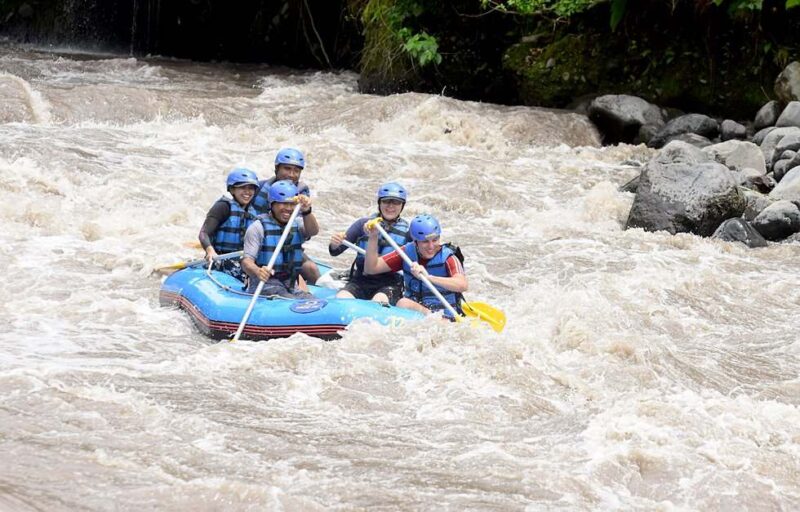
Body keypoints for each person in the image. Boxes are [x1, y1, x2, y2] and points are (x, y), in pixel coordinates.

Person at [364, 214, 467, 318]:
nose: (431, 246)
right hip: (414, 312)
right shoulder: (406, 253)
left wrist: (429, 278)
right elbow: (371, 268)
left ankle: (433, 318)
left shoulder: (448, 257)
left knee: (403, 303)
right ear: (415, 241)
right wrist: (373, 237)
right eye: (425, 241)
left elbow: (462, 285)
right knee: (399, 302)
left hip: (444, 315)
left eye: (435, 240)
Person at [329, 182, 411, 304]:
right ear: (379, 203)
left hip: (390, 284)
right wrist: (335, 243)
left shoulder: (408, 233)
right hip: (361, 280)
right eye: (386, 201)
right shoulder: (362, 224)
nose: (390, 206)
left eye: (396, 202)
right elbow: (335, 251)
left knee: (378, 301)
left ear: (402, 206)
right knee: (342, 298)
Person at [251, 147, 320, 285]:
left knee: (311, 268)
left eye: (296, 171)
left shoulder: (300, 193)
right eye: (287, 169)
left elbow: (307, 230)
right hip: (257, 242)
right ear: (277, 169)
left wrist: (307, 210)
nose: (291, 174)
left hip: (285, 244)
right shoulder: (257, 188)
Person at [241, 179, 319, 298]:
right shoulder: (258, 227)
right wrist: (258, 271)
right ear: (271, 204)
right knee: (288, 298)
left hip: (290, 282)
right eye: (283, 203)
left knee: (310, 299)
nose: (288, 208)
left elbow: (313, 231)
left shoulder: (296, 224)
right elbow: (247, 262)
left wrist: (307, 211)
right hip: (264, 283)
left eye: (291, 204)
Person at [197, 167, 259, 280]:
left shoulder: (254, 214)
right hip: (220, 260)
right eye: (242, 187)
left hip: (243, 262)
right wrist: (210, 250)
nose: (247, 192)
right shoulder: (223, 207)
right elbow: (203, 233)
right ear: (232, 190)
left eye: (251, 188)